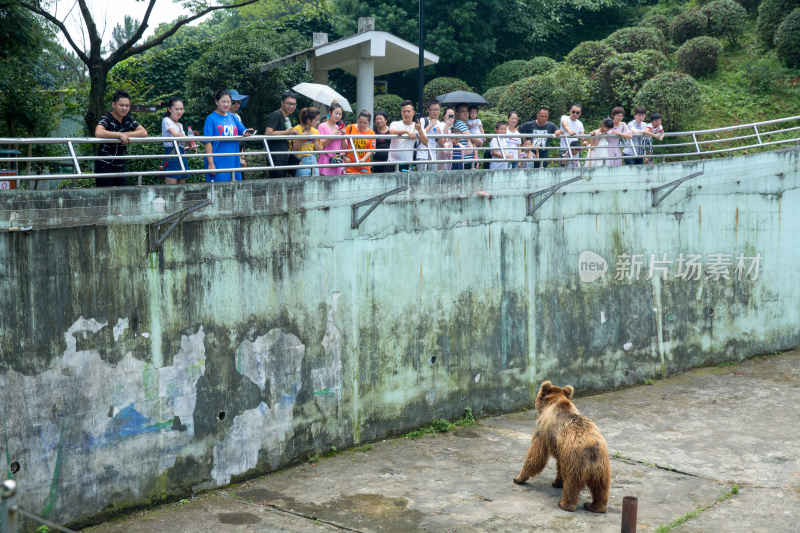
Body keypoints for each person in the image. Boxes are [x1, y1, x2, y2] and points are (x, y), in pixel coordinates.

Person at [93, 89, 148, 187]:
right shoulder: (107, 117)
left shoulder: (128, 119)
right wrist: (119, 135)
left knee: (122, 195)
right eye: (121, 105)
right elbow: (98, 132)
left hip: (121, 164)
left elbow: (143, 132)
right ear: (114, 105)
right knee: (105, 196)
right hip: (104, 165)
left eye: (127, 106)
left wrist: (125, 135)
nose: (124, 108)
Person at [203, 89, 254, 182]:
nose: (226, 104)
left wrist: (247, 132)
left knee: (235, 189)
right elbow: (207, 142)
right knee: (218, 191)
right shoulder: (210, 119)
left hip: (233, 160)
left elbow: (242, 130)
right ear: (216, 102)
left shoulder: (233, 117)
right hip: (218, 161)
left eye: (228, 102)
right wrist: (211, 163)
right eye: (223, 101)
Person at [160, 96, 194, 184]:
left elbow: (183, 141)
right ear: (169, 109)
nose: (179, 111)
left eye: (181, 109)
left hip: (181, 154)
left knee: (182, 185)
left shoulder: (180, 125)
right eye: (177, 109)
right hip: (172, 154)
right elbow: (176, 135)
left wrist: (190, 144)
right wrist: (187, 138)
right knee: (171, 186)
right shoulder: (166, 120)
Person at [264, 91, 298, 178]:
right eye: (289, 103)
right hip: (276, 156)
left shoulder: (286, 117)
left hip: (284, 154)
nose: (292, 106)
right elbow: (268, 133)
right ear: (282, 103)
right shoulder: (276, 115)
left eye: (294, 104)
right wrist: (288, 132)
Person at [388, 100, 427, 172]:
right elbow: (391, 132)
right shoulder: (395, 123)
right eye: (404, 111)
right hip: (392, 162)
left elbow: (425, 142)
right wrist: (406, 132)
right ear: (401, 113)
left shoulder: (417, 126)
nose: (406, 113)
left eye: (408, 111)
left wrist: (419, 130)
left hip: (408, 163)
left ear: (413, 113)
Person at [290, 107, 322, 177]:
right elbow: (294, 150)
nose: (318, 122)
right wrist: (302, 138)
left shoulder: (315, 131)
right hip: (301, 161)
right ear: (308, 120)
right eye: (316, 120)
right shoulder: (296, 129)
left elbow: (319, 150)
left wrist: (315, 141)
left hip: (313, 160)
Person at [317, 101, 347, 176]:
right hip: (326, 159)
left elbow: (345, 147)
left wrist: (343, 137)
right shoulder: (322, 126)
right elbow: (320, 144)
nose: (338, 116)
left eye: (340, 114)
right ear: (330, 113)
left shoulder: (339, 128)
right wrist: (331, 136)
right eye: (336, 113)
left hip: (337, 158)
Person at [415, 100, 441, 170]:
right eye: (433, 110)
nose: (435, 112)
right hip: (422, 154)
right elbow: (419, 134)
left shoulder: (439, 123)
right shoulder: (422, 120)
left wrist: (440, 134)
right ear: (428, 110)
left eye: (437, 110)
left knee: (433, 178)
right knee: (421, 177)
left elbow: (441, 143)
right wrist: (430, 125)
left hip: (433, 155)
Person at [229, 89, 250, 177]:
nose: (237, 105)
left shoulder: (237, 117)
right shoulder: (220, 117)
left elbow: (242, 140)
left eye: (239, 102)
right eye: (234, 102)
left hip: (238, 151)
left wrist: (242, 157)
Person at [451, 104, 475, 170]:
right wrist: (480, 140)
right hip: (466, 160)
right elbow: (472, 138)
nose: (466, 113)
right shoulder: (460, 123)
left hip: (465, 158)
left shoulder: (460, 124)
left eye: (467, 111)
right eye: (463, 111)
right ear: (457, 113)